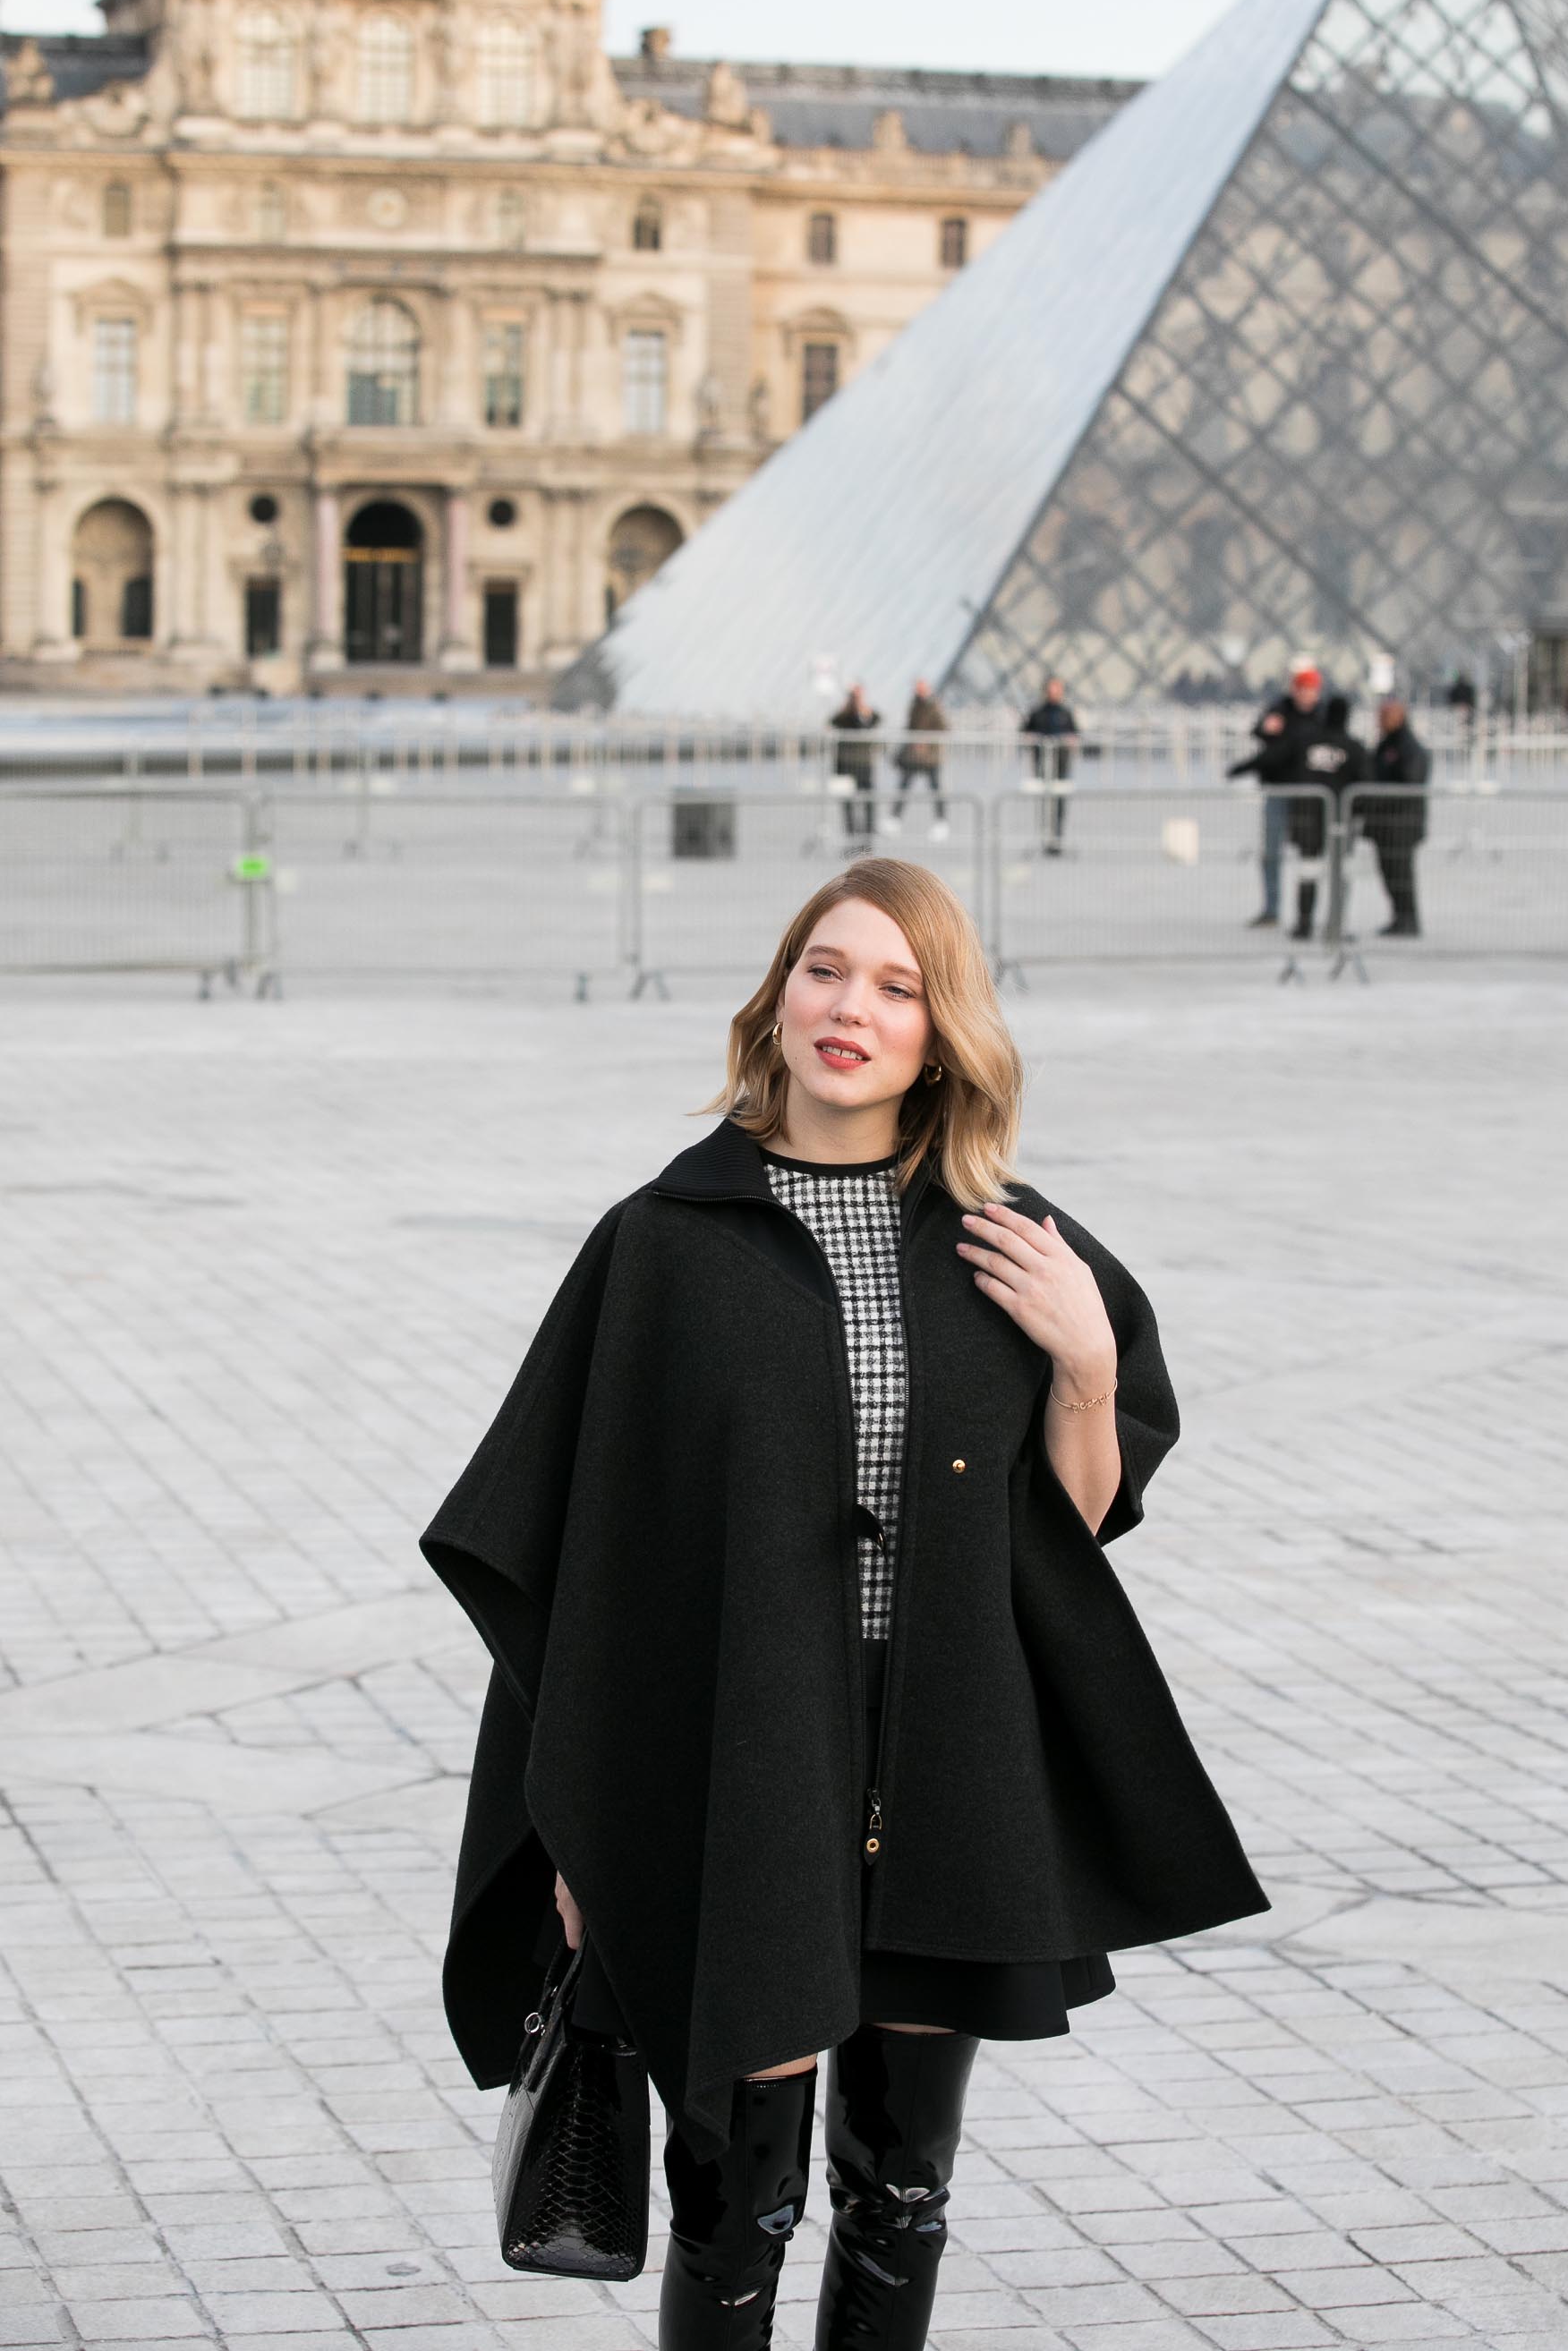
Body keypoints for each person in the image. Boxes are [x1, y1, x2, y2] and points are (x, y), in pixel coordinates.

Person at [422, 858, 1267, 2351]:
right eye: (826, 969)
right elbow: (573, 1560)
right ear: (778, 995)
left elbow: (1069, 1529)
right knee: (735, 2205)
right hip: (747, 1774)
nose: (852, 1008)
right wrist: (572, 1829)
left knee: (902, 2194)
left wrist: (1083, 1364)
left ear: (942, 1033)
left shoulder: (1012, 1241)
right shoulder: (664, 1245)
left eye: (898, 984)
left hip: (941, 1771)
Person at [1228, 663, 1324, 926]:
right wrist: (1265, 729)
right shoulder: (1280, 709)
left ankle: (1307, 912)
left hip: (1310, 793)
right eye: (1302, 689)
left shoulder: (1322, 715)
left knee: (1310, 854)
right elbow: (1261, 733)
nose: (1306, 694)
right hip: (1280, 788)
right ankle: (1272, 907)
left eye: (1310, 689)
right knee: (1271, 851)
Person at [1283, 693, 1369, 941]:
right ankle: (1336, 923)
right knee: (1341, 873)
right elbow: (1365, 782)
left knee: (1309, 869)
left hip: (1307, 816)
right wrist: (1360, 812)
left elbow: (1280, 761)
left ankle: (1304, 922)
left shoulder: (1305, 742)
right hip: (1341, 820)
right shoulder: (1352, 747)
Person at [1358, 698, 1430, 936]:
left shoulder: (1406, 746)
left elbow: (1409, 782)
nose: (1381, 721)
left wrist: (1381, 799)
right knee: (1390, 873)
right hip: (1385, 824)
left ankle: (1408, 919)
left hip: (1401, 824)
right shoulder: (1386, 744)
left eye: (1386, 716)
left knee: (1401, 874)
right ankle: (1400, 917)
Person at [1020, 675, 1078, 853]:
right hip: (1042, 762)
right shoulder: (1037, 712)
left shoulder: (1066, 713)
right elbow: (1025, 731)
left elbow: (1075, 733)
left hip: (1061, 762)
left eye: (1058, 689)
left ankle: (1057, 838)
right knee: (1045, 801)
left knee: (1060, 801)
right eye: (1053, 689)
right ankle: (1045, 838)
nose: (1055, 693)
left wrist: (1070, 741)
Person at [888, 678, 950, 840]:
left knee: (935, 789)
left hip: (930, 757)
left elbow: (943, 727)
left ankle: (941, 822)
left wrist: (926, 740)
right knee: (904, 787)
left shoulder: (934, 705)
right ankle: (894, 819)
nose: (917, 690)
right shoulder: (914, 704)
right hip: (914, 756)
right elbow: (910, 726)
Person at [830, 682, 880, 850]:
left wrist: (863, 709)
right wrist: (848, 707)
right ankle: (851, 838)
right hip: (845, 766)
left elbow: (876, 719)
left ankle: (867, 839)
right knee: (848, 804)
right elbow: (834, 721)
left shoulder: (867, 713)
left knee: (868, 801)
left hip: (864, 766)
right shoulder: (845, 715)